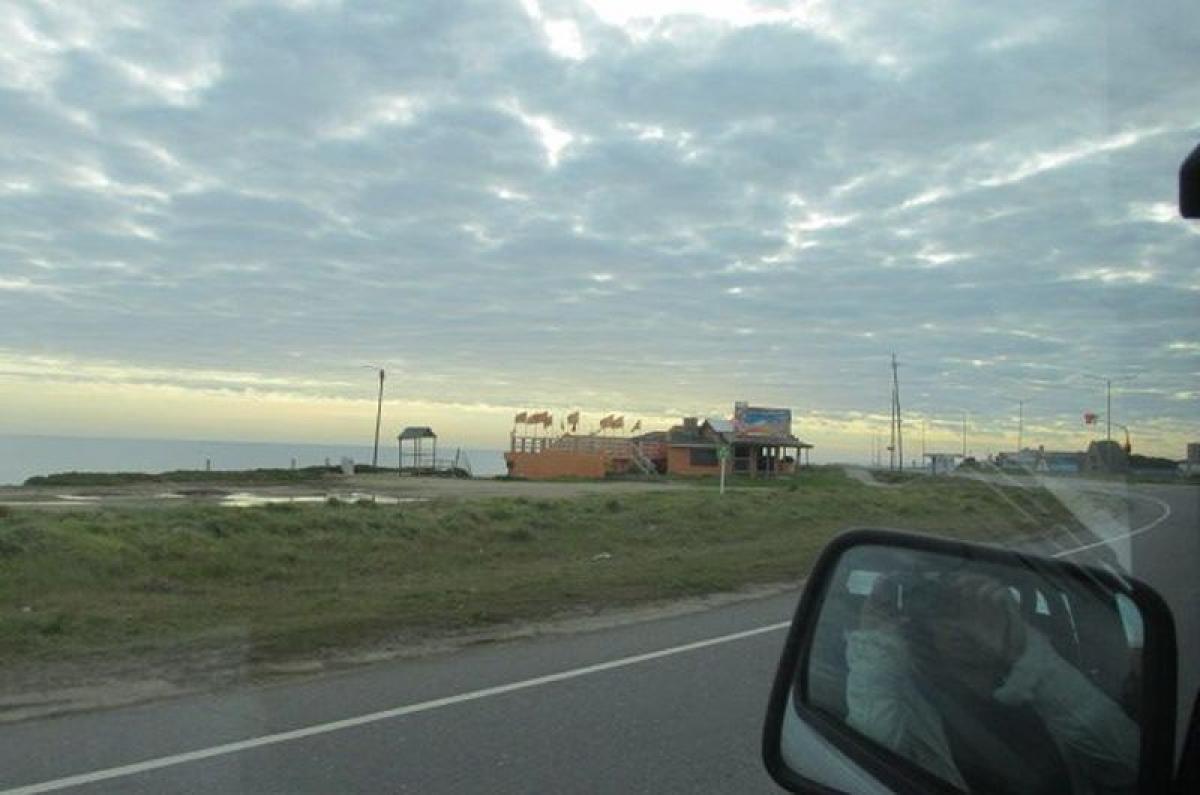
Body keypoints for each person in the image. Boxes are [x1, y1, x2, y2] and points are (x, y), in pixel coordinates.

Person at [844, 571, 1140, 794]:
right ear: (920, 621)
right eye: (942, 607)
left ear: (1007, 612)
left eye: (974, 606)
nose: (959, 622)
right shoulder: (910, 707)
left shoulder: (1043, 688)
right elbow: (860, 768)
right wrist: (875, 648)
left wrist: (1020, 649)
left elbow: (1128, 761)